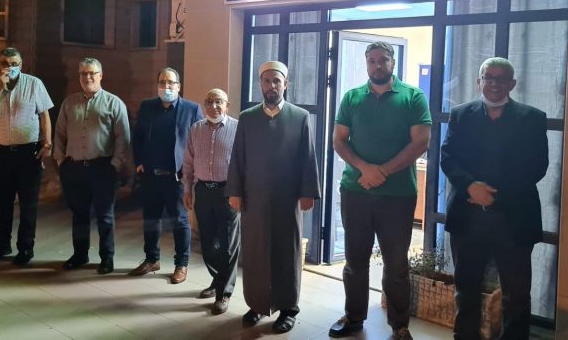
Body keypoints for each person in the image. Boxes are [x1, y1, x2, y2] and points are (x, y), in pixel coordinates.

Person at [329, 41, 431, 340]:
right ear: (366, 63)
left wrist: (381, 171)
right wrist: (365, 168)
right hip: (356, 192)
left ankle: (399, 326)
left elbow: (421, 142)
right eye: (372, 60)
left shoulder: (413, 96)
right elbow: (339, 140)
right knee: (355, 261)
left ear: (393, 63)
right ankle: (353, 317)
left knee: (396, 264)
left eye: (383, 59)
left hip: (397, 196)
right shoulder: (352, 97)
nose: (377, 65)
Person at [441, 57, 548, 340]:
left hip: (514, 218)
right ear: (479, 82)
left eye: (502, 79)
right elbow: (448, 157)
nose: (494, 84)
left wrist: (491, 196)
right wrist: (470, 187)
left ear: (512, 84)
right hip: (468, 216)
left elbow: (537, 166)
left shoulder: (532, 118)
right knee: (466, 289)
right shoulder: (461, 115)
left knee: (517, 294)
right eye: (489, 77)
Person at [226, 60, 320, 333]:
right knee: (255, 252)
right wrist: (234, 191)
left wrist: (308, 192)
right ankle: (257, 304)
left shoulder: (300, 117)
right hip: (254, 198)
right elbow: (238, 157)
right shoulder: (247, 117)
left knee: (287, 252)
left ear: (286, 84)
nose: (271, 86)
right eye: (267, 81)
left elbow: (307, 157)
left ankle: (288, 308)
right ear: (260, 84)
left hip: (287, 199)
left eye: (276, 81)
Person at [0, 47, 53, 266]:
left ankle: (26, 247)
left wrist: (47, 143)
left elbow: (45, 115)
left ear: (21, 64)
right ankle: (2, 244)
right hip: (2, 153)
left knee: (28, 204)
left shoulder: (34, 83)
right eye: (5, 63)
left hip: (28, 153)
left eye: (14, 63)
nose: (9, 67)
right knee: (4, 202)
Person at [53, 58, 130, 275]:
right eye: (83, 73)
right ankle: (80, 255)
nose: (87, 77)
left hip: (102, 167)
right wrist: (60, 161)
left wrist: (115, 164)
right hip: (74, 168)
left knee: (105, 216)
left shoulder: (114, 103)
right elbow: (59, 133)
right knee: (79, 214)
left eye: (92, 73)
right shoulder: (69, 103)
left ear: (100, 75)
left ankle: (107, 257)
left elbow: (123, 137)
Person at [129, 67, 203, 284]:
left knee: (180, 221)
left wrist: (192, 173)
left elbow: (198, 143)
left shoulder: (191, 109)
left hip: (177, 178)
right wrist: (139, 162)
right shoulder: (147, 106)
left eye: (171, 83)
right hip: (151, 175)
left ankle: (182, 264)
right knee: (151, 219)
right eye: (162, 82)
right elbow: (137, 136)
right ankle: (152, 259)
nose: (166, 86)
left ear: (178, 86)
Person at [182, 88, 240, 315]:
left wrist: (239, 192)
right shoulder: (196, 129)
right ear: (204, 105)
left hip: (228, 192)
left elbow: (243, 164)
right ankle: (218, 279)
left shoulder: (238, 129)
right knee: (207, 243)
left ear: (227, 105)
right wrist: (188, 189)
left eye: (219, 102)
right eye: (209, 102)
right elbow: (188, 163)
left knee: (228, 246)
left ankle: (224, 293)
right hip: (203, 191)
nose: (213, 106)